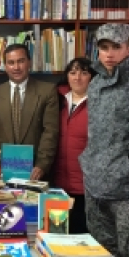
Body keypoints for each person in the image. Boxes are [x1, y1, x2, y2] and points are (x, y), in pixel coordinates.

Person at [78, 23, 129, 257]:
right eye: (104, 47)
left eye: (116, 47)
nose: (109, 54)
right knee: (102, 256)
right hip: (96, 185)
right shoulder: (96, 83)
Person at [0, 44, 59, 180]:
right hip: (2, 173)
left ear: (29, 62)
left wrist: (42, 165)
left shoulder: (47, 91)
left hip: (36, 171)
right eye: (11, 62)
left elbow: (50, 132)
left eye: (21, 61)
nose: (16, 67)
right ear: (5, 66)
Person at [52, 57, 97, 234]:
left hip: (85, 186)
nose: (77, 77)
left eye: (84, 73)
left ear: (92, 77)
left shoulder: (99, 103)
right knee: (57, 236)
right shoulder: (56, 100)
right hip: (57, 184)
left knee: (81, 237)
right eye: (73, 72)